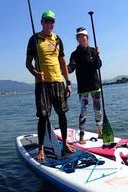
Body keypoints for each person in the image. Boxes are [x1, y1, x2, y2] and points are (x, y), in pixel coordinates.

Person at [26, 10, 74, 160]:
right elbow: (27, 64)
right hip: (42, 84)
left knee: (62, 114)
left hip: (58, 82)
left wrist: (68, 82)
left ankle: (65, 143)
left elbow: (63, 62)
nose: (49, 23)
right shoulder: (34, 39)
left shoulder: (58, 39)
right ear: (41, 22)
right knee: (43, 116)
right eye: (46, 21)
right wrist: (35, 73)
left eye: (52, 21)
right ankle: (41, 148)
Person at [68, 27, 102, 144]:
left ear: (87, 37)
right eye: (79, 36)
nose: (82, 38)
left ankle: (100, 131)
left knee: (98, 110)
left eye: (83, 36)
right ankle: (81, 135)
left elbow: (98, 65)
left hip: (95, 85)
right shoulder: (75, 54)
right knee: (83, 112)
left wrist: (97, 55)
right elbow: (71, 67)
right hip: (83, 88)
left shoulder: (93, 51)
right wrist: (64, 69)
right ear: (77, 39)